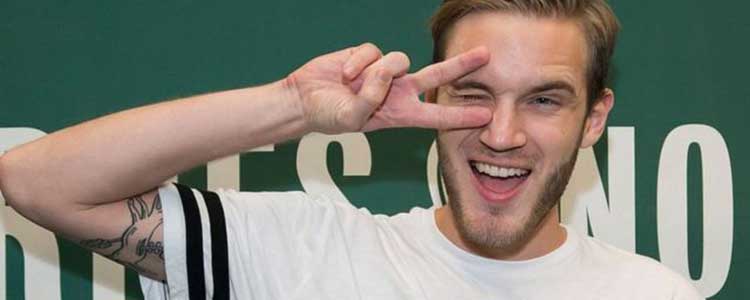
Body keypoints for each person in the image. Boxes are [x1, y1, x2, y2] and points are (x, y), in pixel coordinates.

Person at [0, 0, 703, 299]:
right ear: (433, 98)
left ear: (594, 118)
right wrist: (294, 108)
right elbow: (37, 183)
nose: (501, 133)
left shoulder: (653, 295)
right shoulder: (304, 255)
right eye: (473, 92)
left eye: (544, 99)